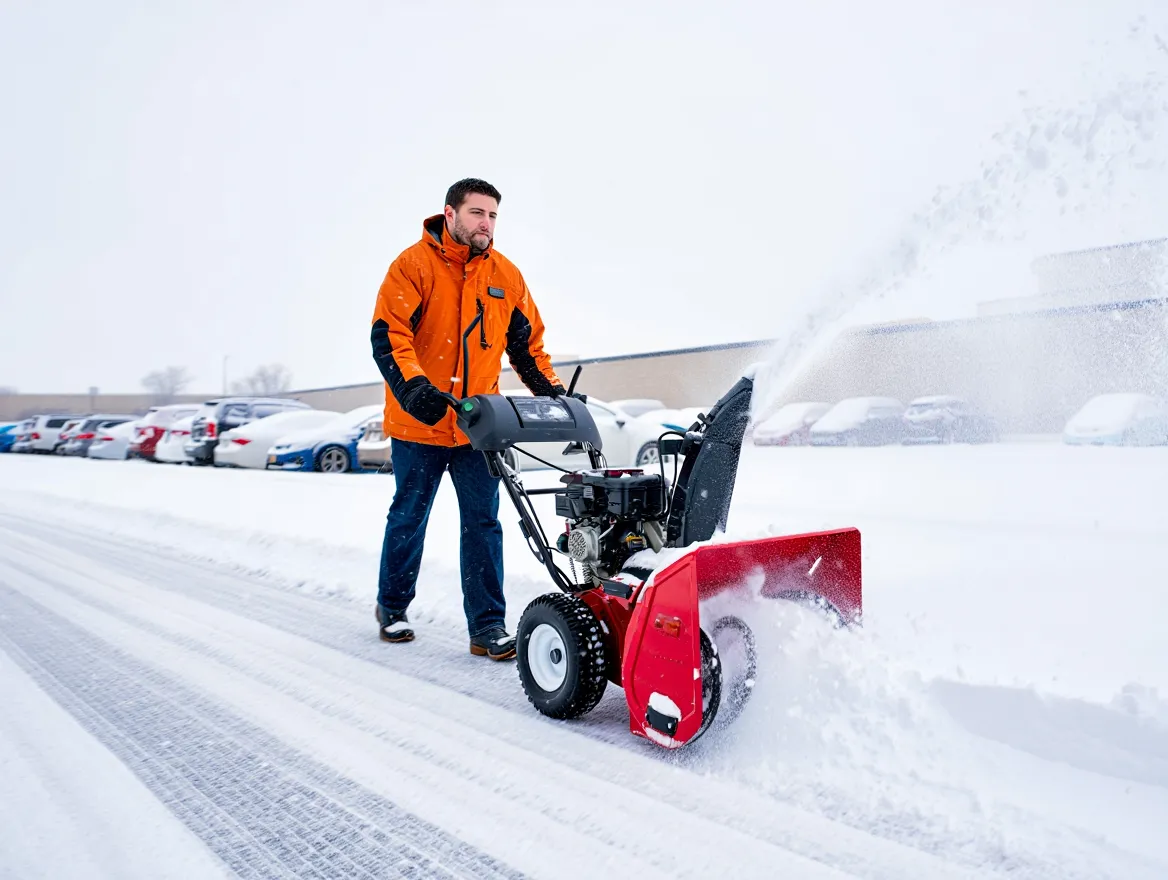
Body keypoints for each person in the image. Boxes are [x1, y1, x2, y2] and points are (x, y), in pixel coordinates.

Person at [370, 178, 566, 660]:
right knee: (409, 517)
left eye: (494, 215)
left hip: (478, 425)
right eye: (477, 213)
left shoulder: (505, 275)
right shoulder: (411, 267)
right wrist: (415, 388)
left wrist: (555, 394)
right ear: (450, 214)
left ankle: (487, 627)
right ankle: (392, 607)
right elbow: (388, 336)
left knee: (483, 523)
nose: (487, 223)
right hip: (420, 424)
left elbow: (527, 346)